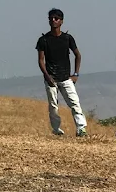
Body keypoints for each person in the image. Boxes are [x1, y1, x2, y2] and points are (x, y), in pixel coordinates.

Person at [36, 8, 87, 137]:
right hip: (51, 77)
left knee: (74, 102)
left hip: (65, 77)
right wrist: (47, 77)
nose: (53, 21)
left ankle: (81, 128)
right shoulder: (44, 40)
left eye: (56, 18)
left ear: (61, 21)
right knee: (53, 105)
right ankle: (57, 129)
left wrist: (76, 74)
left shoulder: (67, 38)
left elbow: (78, 55)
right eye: (51, 18)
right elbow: (41, 60)